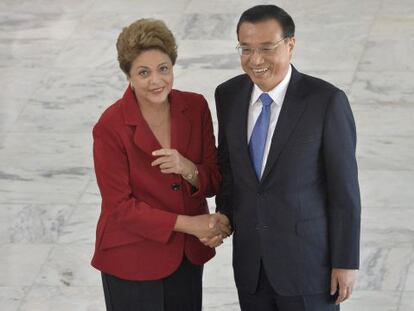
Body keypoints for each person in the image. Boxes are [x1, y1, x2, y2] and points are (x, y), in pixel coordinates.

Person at [206, 5, 361, 311]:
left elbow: (344, 191)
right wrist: (224, 213)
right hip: (252, 267)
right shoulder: (229, 95)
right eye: (246, 49)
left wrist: (345, 262)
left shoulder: (325, 101)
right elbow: (230, 167)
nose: (255, 60)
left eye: (267, 48)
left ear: (290, 45)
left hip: (309, 268)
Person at [91, 18, 231, 311]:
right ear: (128, 75)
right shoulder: (111, 125)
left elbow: (213, 178)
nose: (157, 81)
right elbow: (120, 207)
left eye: (163, 69)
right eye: (144, 72)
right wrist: (190, 225)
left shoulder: (195, 107)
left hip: (186, 256)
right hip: (131, 257)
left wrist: (188, 167)